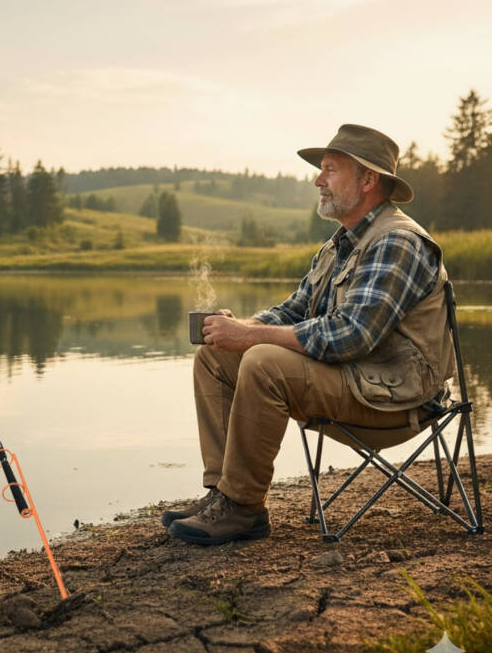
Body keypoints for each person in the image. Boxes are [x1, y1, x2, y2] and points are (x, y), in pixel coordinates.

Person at [165, 124, 455, 546]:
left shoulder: (399, 241)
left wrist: (253, 340)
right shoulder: (338, 246)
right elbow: (294, 311)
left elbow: (351, 336)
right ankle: (223, 494)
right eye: (321, 170)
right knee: (214, 356)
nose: (318, 180)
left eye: (330, 170)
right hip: (353, 382)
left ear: (369, 180)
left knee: (264, 362)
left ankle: (244, 509)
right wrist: (242, 328)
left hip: (396, 398)